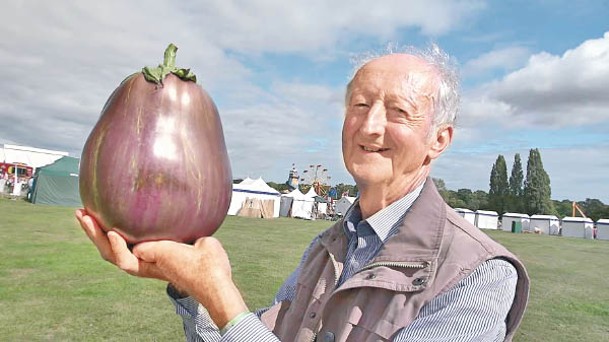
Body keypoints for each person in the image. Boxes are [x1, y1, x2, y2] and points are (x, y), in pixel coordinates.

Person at [76, 44, 529, 341]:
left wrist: (223, 298)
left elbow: (238, 324)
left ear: (439, 140)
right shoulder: (327, 247)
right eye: (360, 105)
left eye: (398, 111)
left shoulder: (480, 277)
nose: (370, 126)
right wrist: (186, 283)